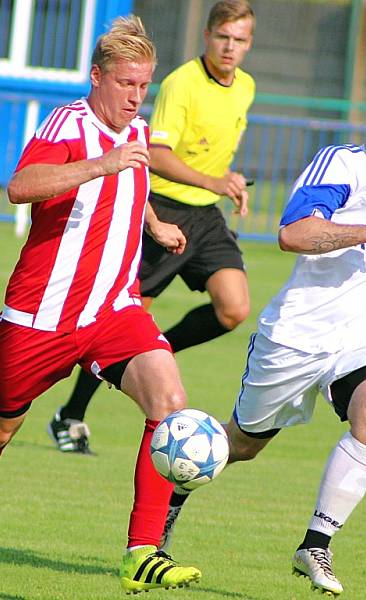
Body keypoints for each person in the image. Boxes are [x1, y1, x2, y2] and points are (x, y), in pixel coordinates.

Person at [0, 16, 203, 594]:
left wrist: (154, 223)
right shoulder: (69, 123)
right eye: (127, 83)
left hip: (113, 311)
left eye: (144, 85)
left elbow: (126, 184)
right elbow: (22, 184)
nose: (137, 97)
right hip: (40, 317)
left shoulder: (138, 130)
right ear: (97, 77)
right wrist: (103, 164)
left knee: (170, 400)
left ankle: (142, 551)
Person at [158, 78, 366, 596]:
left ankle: (316, 543)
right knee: (242, 444)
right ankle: (172, 495)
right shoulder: (342, 166)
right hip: (298, 334)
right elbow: (292, 234)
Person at [48, 0, 256, 454]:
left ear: (249, 44)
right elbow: (156, 154)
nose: (230, 47)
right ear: (207, 36)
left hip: (206, 217)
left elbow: (210, 153)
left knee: (234, 308)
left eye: (239, 40)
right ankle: (71, 415)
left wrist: (228, 183)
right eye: (223, 37)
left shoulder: (245, 88)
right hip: (159, 208)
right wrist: (213, 181)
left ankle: (157, 351)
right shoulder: (183, 83)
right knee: (117, 320)